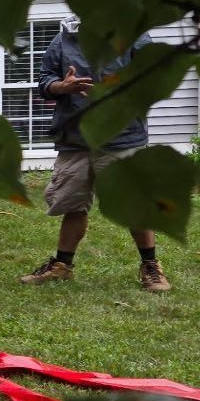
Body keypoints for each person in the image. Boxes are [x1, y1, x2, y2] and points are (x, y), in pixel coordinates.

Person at [20, 18, 171, 291]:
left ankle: (151, 267)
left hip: (121, 137)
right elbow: (45, 81)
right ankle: (61, 266)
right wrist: (61, 87)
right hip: (75, 139)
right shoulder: (64, 39)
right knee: (72, 204)